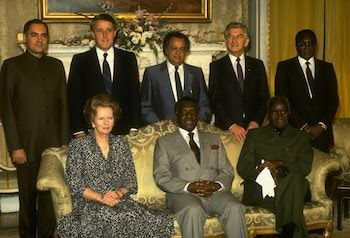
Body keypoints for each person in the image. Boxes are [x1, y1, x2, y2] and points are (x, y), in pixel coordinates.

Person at [57, 93, 174, 238]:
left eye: (110, 118)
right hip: (89, 203)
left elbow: (131, 182)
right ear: (92, 122)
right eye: (101, 118)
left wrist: (118, 194)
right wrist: (101, 198)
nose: (106, 123)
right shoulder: (78, 145)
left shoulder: (121, 144)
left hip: (119, 201)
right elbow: (75, 185)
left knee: (149, 219)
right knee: (111, 218)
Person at [0, 19, 70, 237]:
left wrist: (64, 140)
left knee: (50, 199)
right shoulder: (11, 66)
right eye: (34, 35)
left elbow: (63, 105)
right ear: (25, 37)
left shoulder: (56, 65)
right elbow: (7, 110)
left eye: (44, 35)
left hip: (52, 145)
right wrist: (15, 146)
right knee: (28, 200)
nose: (40, 40)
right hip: (25, 145)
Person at [153, 97, 248, 238]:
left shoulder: (214, 138)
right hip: (183, 194)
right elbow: (161, 176)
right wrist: (188, 187)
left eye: (192, 112)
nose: (189, 116)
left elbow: (226, 170)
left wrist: (217, 185)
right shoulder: (164, 142)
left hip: (215, 192)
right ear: (176, 116)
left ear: (198, 116)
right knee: (193, 210)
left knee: (235, 207)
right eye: (184, 112)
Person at [237, 96, 313, 238]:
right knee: (292, 199)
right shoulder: (255, 135)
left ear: (289, 114)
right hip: (262, 189)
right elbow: (242, 167)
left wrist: (282, 163)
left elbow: (305, 167)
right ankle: (289, 230)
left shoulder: (300, 137)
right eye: (274, 112)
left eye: (283, 112)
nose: (279, 116)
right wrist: (262, 173)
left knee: (295, 179)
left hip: (292, 184)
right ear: (268, 115)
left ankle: (288, 230)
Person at [68, 13, 141, 137]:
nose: (105, 35)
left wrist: (134, 127)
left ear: (114, 33)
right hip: (90, 131)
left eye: (109, 30)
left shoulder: (128, 59)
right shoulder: (80, 61)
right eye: (100, 31)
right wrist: (78, 130)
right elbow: (73, 99)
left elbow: (134, 95)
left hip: (123, 131)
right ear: (93, 34)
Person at [275, 29, 339, 153]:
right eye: (302, 44)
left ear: (315, 45)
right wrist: (304, 126)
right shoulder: (284, 67)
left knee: (322, 171)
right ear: (296, 46)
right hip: (295, 133)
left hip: (322, 135)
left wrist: (321, 126)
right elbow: (283, 101)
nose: (306, 47)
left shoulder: (327, 68)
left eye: (310, 43)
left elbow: (333, 101)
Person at [209, 22, 270, 142]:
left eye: (239, 36)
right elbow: (215, 100)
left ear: (246, 42)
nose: (234, 40)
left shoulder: (257, 65)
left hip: (253, 130)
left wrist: (255, 122)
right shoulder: (216, 67)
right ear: (225, 41)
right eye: (230, 36)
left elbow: (264, 98)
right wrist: (231, 125)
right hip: (226, 131)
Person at [141, 31, 211, 124]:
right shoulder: (152, 74)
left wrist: (197, 121)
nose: (178, 52)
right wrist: (159, 124)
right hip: (162, 131)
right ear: (166, 50)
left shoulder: (196, 73)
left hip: (192, 129)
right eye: (174, 48)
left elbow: (204, 104)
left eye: (182, 49)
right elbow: (145, 106)